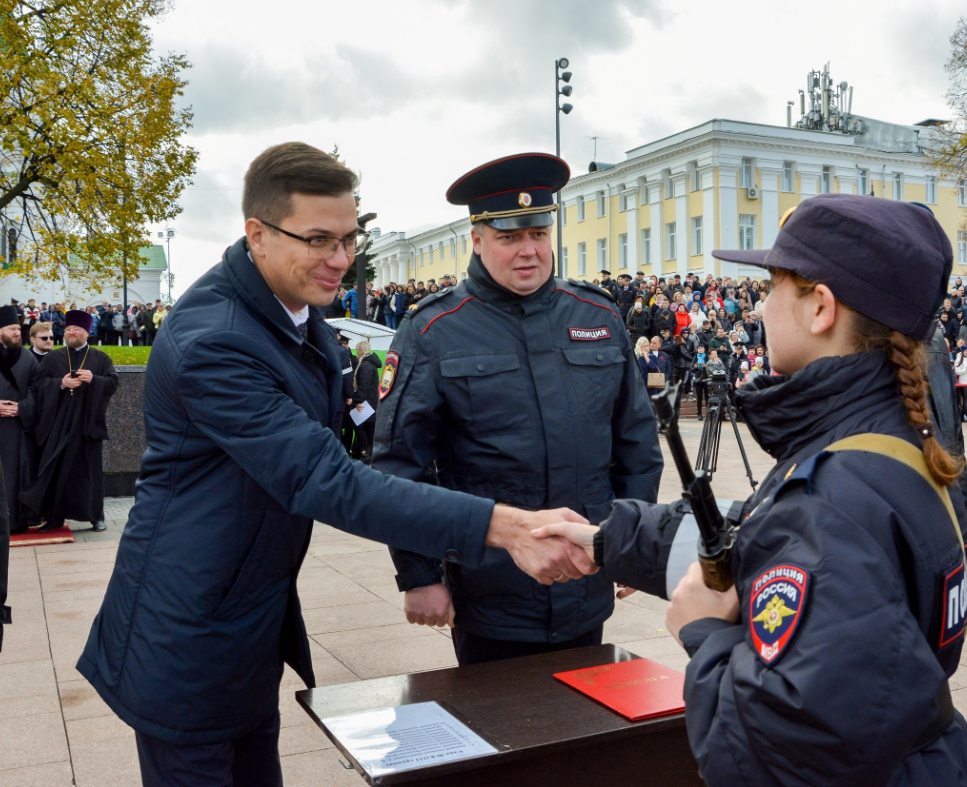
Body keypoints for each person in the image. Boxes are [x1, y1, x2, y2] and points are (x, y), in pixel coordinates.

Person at [76, 142, 595, 787]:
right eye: (320, 240)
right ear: (258, 234)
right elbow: (327, 479)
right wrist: (507, 527)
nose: (341, 261)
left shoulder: (291, 312)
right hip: (187, 638)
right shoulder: (215, 341)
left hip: (243, 619)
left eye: (349, 239)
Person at [535, 194, 967, 786]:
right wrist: (609, 540)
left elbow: (771, 755)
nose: (761, 308)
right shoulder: (888, 443)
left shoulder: (838, 495)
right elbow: (756, 533)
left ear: (820, 308)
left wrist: (703, 633)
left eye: (771, 287)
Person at [374, 152, 663, 666]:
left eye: (538, 234)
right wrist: (419, 576)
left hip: (585, 583)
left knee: (584, 733)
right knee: (500, 738)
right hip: (489, 593)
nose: (528, 251)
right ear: (478, 240)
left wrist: (631, 546)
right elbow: (402, 466)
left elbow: (636, 443)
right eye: (509, 237)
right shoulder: (433, 330)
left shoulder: (596, 314)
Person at [21, 310, 118, 533]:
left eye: (75, 330)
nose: (70, 333)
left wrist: (94, 379)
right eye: (67, 330)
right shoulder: (53, 358)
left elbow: (113, 383)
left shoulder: (100, 358)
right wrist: (61, 384)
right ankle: (55, 517)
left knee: (90, 473)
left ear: (86, 333)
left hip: (87, 424)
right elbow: (39, 384)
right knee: (57, 471)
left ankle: (96, 517)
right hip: (59, 424)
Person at [0, 305, 39, 534]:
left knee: (14, 475)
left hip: (16, 428)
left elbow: (37, 390)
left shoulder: (28, 358)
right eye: (11, 328)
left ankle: (15, 522)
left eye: (18, 328)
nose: (17, 332)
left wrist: (21, 408)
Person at [351, 340, 381, 461]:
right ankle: (367, 451)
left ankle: (363, 451)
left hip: (365, 402)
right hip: (371, 401)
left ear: (361, 351)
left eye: (357, 349)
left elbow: (364, 385)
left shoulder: (365, 366)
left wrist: (358, 401)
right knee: (368, 428)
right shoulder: (370, 364)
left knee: (359, 427)